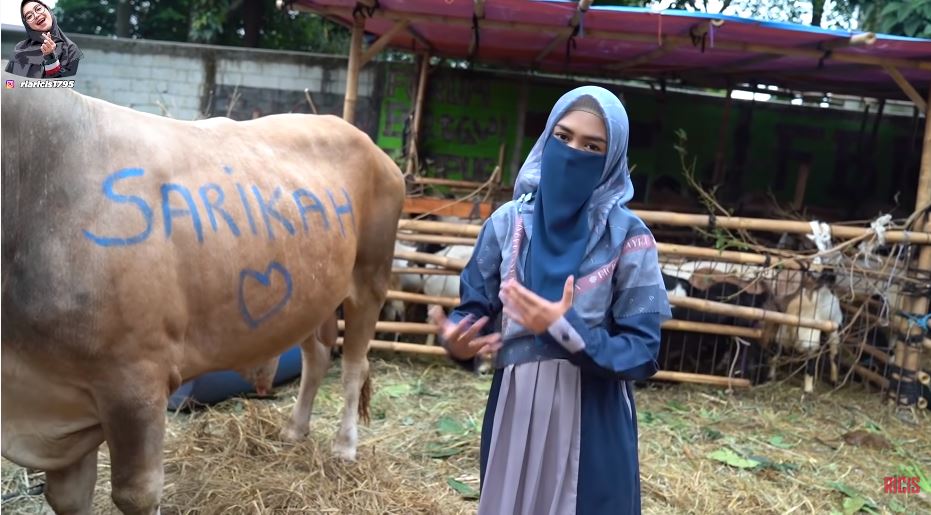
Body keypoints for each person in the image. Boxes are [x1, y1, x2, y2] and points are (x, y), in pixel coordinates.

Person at [429, 85, 671, 515]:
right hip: (515, 411)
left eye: (592, 146)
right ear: (545, 138)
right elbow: (475, 310)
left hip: (594, 416)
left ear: (611, 160)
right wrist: (458, 341)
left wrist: (567, 331)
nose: (573, 152)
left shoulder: (630, 238)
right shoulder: (506, 224)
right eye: (563, 137)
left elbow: (643, 351)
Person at [5, 1, 83, 78]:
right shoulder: (20, 49)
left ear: (48, 10)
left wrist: (50, 57)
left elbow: (62, 85)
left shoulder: (71, 50)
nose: (36, 15)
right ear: (27, 25)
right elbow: (10, 83)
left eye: (38, 9)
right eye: (29, 16)